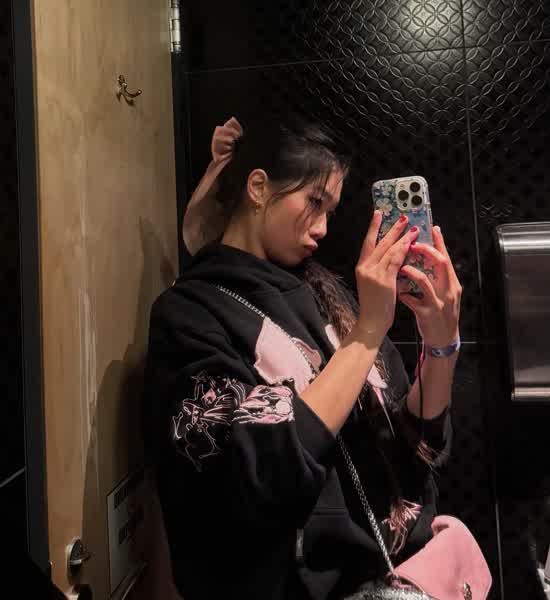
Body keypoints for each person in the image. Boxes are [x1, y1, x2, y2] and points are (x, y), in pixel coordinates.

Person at [144, 114, 461, 600]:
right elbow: (257, 473)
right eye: (315, 202)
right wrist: (369, 331)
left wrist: (441, 346)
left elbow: (418, 444)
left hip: (406, 576)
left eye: (331, 210)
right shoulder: (189, 315)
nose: (324, 228)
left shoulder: (328, 295)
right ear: (257, 187)